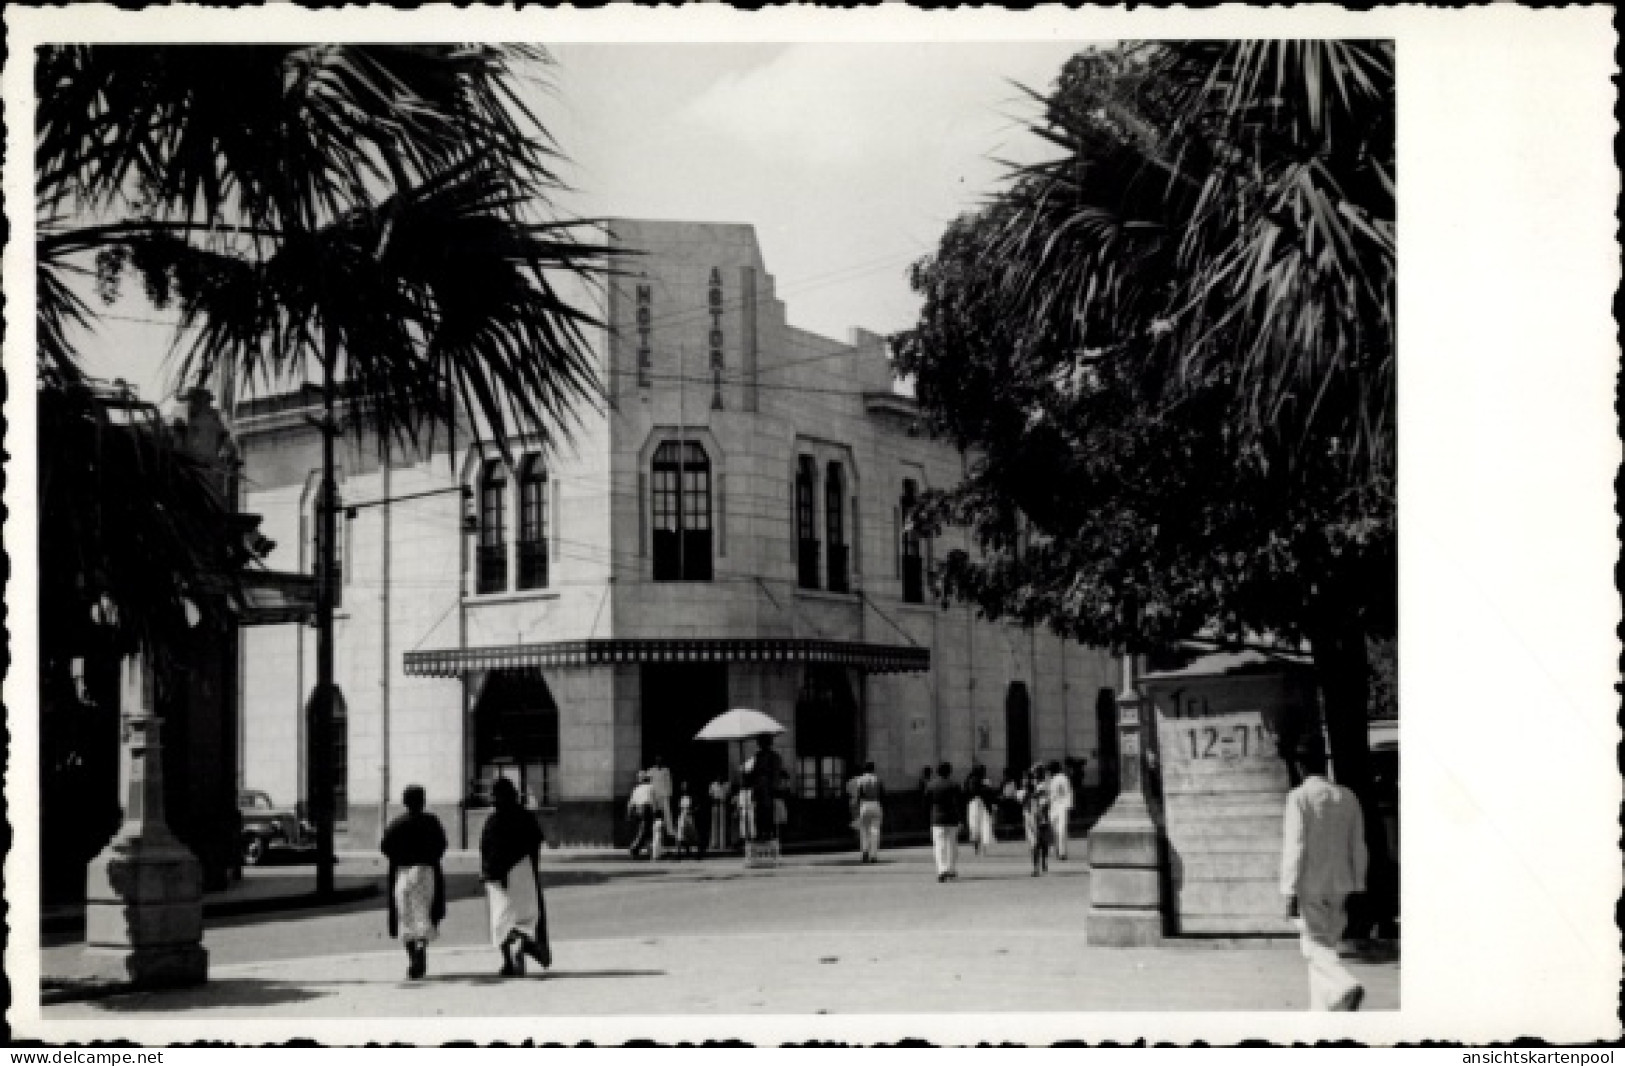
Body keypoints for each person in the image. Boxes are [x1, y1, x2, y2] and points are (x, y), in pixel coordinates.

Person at [1281, 735, 1369, 1011]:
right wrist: (1358, 884)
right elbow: (1358, 846)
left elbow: (1295, 844)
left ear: (1300, 767)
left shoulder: (1299, 798)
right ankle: (1323, 1008)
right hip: (1340, 883)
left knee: (1314, 945)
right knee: (1325, 943)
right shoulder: (1348, 797)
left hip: (1310, 883)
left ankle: (1343, 984)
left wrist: (1288, 888)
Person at [479, 777, 550, 977]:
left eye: (493, 794)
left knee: (501, 920)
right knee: (524, 918)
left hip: (499, 876)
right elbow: (535, 845)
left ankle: (509, 962)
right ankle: (523, 942)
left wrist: (485, 874)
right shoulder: (526, 816)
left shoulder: (493, 821)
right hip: (524, 871)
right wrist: (534, 873)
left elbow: (486, 850)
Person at [380, 784, 447, 980]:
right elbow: (441, 844)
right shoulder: (431, 821)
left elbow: (385, 846)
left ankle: (412, 959)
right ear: (423, 801)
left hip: (403, 871)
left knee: (405, 914)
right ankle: (421, 946)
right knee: (423, 912)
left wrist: (400, 856)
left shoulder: (397, 823)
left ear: (405, 802)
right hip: (425, 870)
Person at [924, 761, 963, 883]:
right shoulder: (955, 785)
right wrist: (961, 818)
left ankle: (941, 870)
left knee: (939, 845)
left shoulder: (931, 785)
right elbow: (960, 802)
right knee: (952, 844)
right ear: (949, 771)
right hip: (952, 818)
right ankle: (951, 869)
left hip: (937, 818)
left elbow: (926, 802)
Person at [849, 761, 885, 863]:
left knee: (864, 830)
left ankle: (865, 852)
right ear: (873, 769)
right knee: (875, 831)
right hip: (876, 804)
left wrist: (855, 805)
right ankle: (873, 855)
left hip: (865, 805)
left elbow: (859, 795)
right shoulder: (878, 779)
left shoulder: (861, 780)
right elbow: (883, 794)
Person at [1021, 765, 1053, 876]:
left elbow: (1046, 802)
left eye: (1037, 774)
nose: (1035, 776)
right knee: (1034, 843)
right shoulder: (1028, 788)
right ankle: (1035, 867)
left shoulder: (1044, 787)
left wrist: (1035, 796)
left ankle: (1043, 861)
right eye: (1034, 774)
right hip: (1030, 817)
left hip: (1042, 817)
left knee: (1043, 842)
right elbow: (1023, 802)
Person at [964, 764, 996, 856]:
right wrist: (986, 788)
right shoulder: (979, 781)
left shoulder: (970, 780)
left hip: (974, 805)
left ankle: (977, 849)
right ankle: (982, 850)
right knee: (983, 826)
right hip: (980, 805)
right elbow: (987, 793)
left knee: (975, 826)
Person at [1047, 759, 1075, 860]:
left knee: (1061, 829)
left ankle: (1062, 852)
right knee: (1054, 829)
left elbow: (1068, 792)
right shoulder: (1051, 779)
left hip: (1062, 806)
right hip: (1053, 806)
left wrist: (1068, 806)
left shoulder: (1062, 778)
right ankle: (1057, 850)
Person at [627, 771, 658, 859]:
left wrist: (629, 813)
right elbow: (653, 800)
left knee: (645, 829)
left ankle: (649, 850)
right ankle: (634, 848)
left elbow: (631, 803)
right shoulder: (651, 787)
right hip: (646, 809)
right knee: (645, 830)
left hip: (638, 810)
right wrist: (655, 811)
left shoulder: (636, 789)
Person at [648, 755, 675, 841]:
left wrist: (669, 793)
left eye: (660, 760)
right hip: (655, 795)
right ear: (655, 761)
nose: (659, 762)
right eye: (657, 760)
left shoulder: (666, 770)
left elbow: (669, 782)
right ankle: (653, 831)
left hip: (664, 794)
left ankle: (670, 832)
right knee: (655, 813)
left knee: (667, 813)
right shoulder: (651, 770)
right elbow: (647, 780)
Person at [674, 783, 700, 859]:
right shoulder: (679, 797)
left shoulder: (693, 797)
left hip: (690, 817)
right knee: (680, 835)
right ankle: (678, 854)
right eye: (683, 787)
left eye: (686, 786)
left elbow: (697, 807)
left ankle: (696, 853)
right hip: (682, 816)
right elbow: (677, 808)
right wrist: (677, 818)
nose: (684, 788)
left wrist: (692, 811)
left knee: (692, 834)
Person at [708, 776, 731, 854]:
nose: (719, 778)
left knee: (723, 825)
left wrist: (723, 800)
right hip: (715, 804)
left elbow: (728, 795)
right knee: (714, 824)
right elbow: (710, 795)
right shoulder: (713, 785)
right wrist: (715, 799)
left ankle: (722, 844)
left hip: (722, 804)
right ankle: (714, 843)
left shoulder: (727, 785)